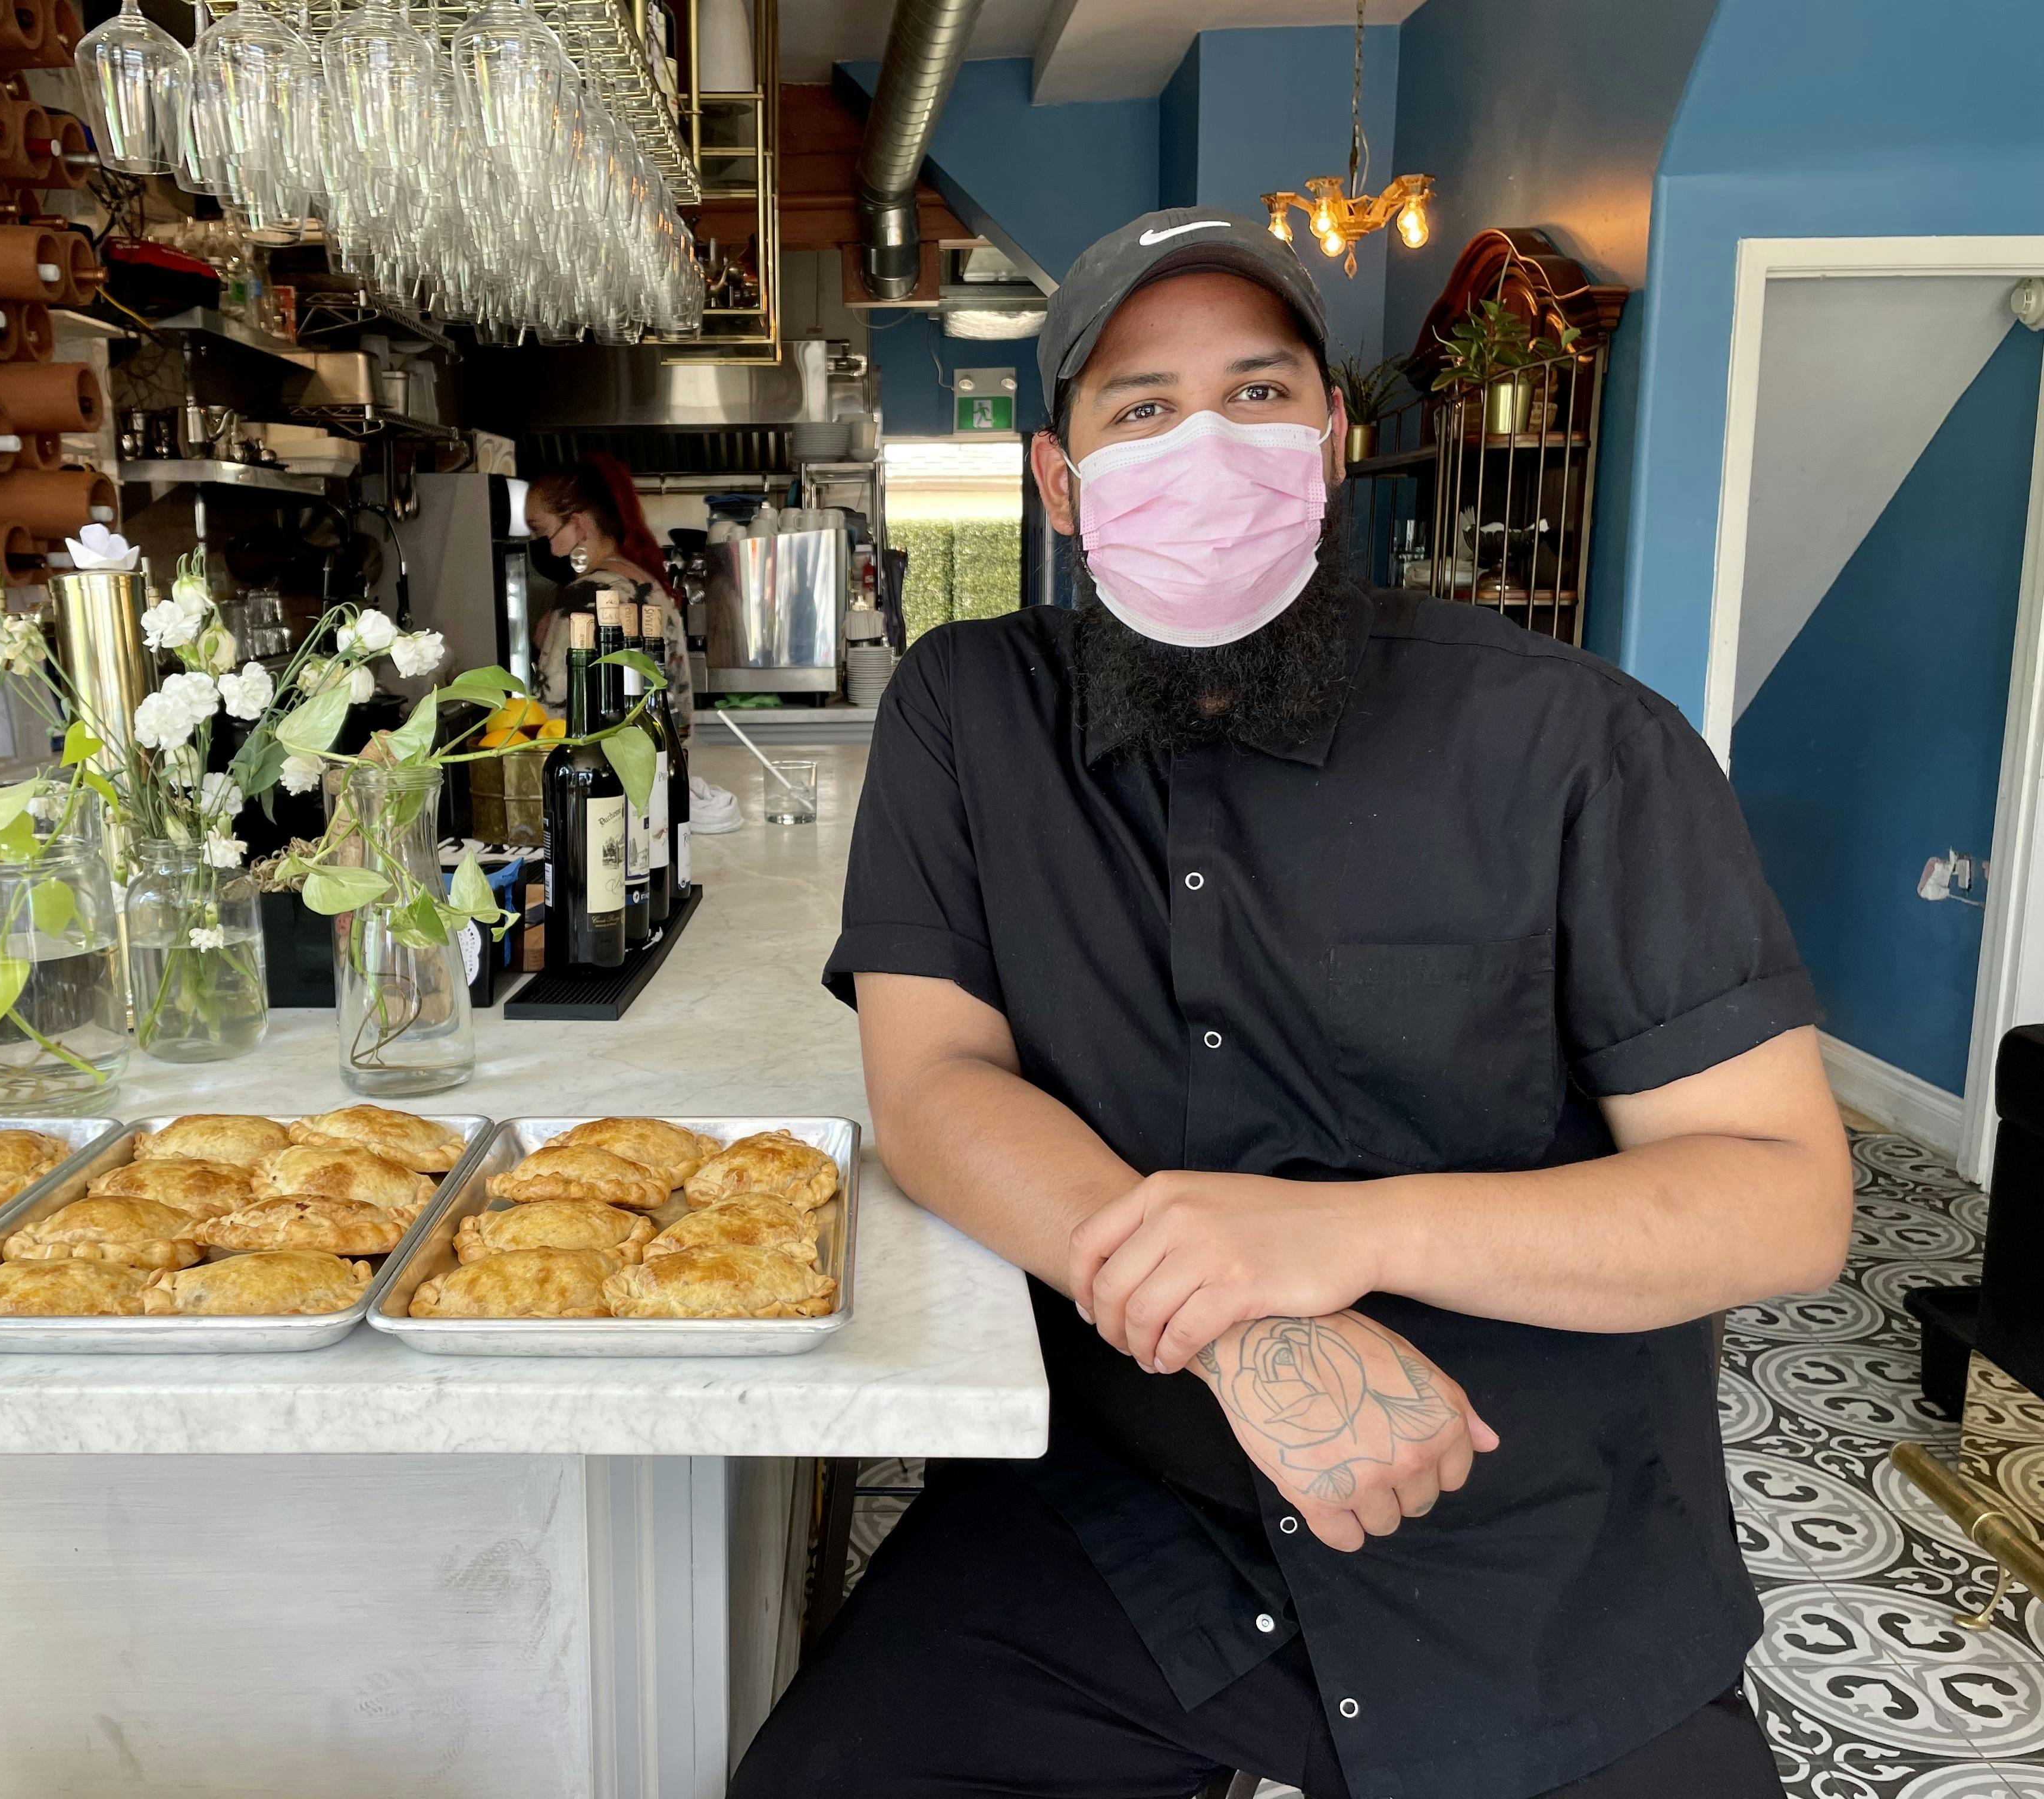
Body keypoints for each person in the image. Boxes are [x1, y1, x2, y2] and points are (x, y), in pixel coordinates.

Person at [731, 208, 1854, 1799]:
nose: (1207, 444)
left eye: (1259, 395)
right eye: (1141, 408)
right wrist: (1247, 1323)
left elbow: (1785, 1202)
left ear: (1330, 439)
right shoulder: (972, 714)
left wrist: (1355, 1236)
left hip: (1526, 1551)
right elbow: (934, 1085)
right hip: (1129, 1519)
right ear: (1060, 479)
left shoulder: (1576, 743)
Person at [524, 453, 690, 718]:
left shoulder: (585, 597)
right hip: (658, 752)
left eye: (538, 531)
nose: (534, 542)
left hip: (599, 758)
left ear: (578, 525)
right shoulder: (644, 581)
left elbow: (549, 715)